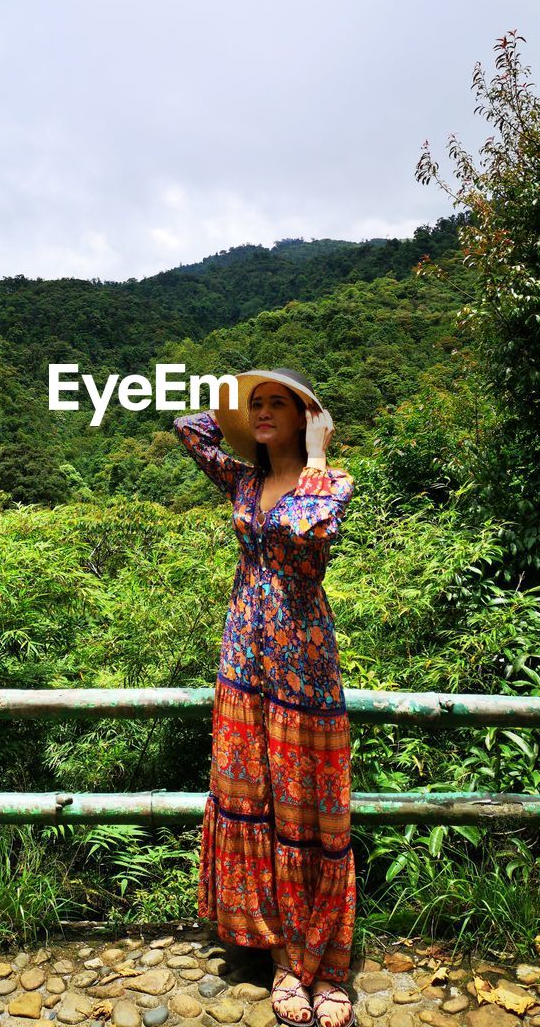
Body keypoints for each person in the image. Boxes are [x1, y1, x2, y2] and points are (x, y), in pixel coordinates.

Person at [173, 368, 356, 1027]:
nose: (266, 411)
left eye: (281, 402)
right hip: (243, 663)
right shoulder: (244, 481)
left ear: (308, 418)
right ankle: (281, 956)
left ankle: (322, 965)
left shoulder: (331, 484)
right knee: (260, 803)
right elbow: (188, 431)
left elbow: (308, 536)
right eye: (260, 405)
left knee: (309, 808)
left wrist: (315, 452)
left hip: (303, 667)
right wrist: (237, 415)